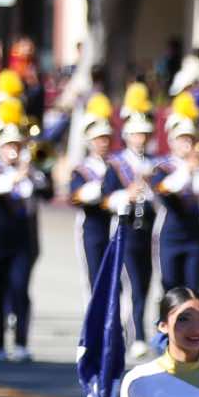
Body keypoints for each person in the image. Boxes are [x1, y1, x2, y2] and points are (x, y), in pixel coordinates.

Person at [0, 123, 47, 362]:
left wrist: (31, 171)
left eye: (16, 145)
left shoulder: (30, 172)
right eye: (8, 145)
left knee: (21, 289)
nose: (13, 150)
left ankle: (21, 342)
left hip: (22, 239)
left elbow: (44, 190)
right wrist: (19, 174)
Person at [109, 113, 159, 349]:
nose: (141, 139)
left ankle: (138, 332)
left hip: (148, 231)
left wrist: (150, 190)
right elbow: (106, 198)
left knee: (145, 284)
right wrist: (126, 195)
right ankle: (134, 334)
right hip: (125, 229)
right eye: (137, 134)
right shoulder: (116, 164)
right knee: (131, 283)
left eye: (145, 134)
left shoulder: (154, 163)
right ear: (128, 136)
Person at [150, 116, 199, 296]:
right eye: (182, 139)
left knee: (193, 293)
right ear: (171, 142)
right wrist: (187, 169)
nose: (187, 143)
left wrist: (197, 169)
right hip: (170, 235)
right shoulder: (162, 167)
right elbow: (168, 188)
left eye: (190, 138)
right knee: (170, 292)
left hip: (194, 235)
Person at [68, 114, 118, 289]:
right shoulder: (82, 169)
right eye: (99, 139)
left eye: (106, 138)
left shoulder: (118, 164)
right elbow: (75, 197)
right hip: (92, 227)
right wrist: (101, 189)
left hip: (115, 226)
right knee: (95, 279)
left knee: (116, 282)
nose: (104, 143)